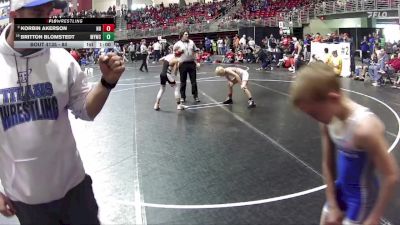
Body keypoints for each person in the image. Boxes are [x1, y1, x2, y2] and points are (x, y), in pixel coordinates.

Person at [0, 0, 125, 224]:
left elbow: (86, 111)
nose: (45, 21)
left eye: (49, 13)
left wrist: (107, 83)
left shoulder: (61, 58)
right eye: (37, 12)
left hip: (74, 191)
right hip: (26, 201)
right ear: (14, 15)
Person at [290, 63, 399, 225]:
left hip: (363, 197)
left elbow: (391, 175)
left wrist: (375, 217)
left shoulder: (365, 128)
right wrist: (333, 203)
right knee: (326, 218)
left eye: (314, 113)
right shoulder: (327, 119)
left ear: (333, 98)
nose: (314, 118)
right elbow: (328, 163)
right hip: (341, 189)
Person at [173, 31, 200, 103]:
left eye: (188, 34)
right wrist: (178, 53)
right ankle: (182, 97)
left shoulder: (191, 42)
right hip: (182, 64)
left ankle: (195, 96)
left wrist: (197, 62)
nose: (187, 35)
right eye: (186, 34)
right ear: (182, 35)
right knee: (183, 82)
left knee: (194, 81)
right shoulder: (177, 44)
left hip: (191, 63)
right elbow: (174, 55)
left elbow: (195, 51)